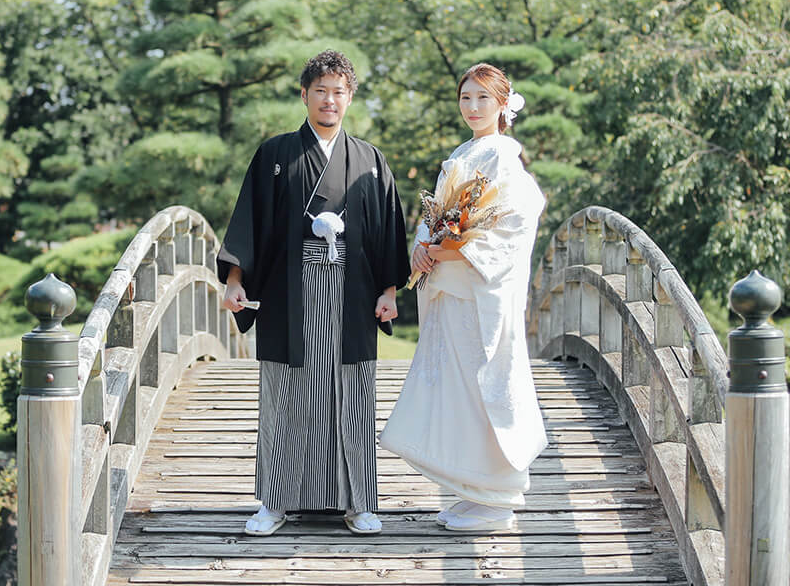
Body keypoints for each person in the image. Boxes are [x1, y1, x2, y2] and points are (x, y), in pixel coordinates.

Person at [217, 50, 411, 537]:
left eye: (339, 91)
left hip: (353, 296)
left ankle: (359, 502)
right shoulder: (275, 154)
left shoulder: (369, 160)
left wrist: (389, 290)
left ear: (350, 98)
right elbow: (251, 221)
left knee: (352, 396)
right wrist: (236, 279)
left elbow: (389, 230)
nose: (329, 100)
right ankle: (276, 501)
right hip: (290, 294)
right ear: (304, 95)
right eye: (320, 90)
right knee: (285, 395)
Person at [379, 63, 548, 533]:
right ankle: (474, 491)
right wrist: (422, 245)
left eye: (482, 99)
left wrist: (458, 248)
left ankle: (497, 498)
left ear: (501, 106)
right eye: (466, 98)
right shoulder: (465, 152)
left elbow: (517, 219)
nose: (472, 107)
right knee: (459, 389)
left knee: (483, 387)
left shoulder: (503, 157)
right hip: (454, 289)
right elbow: (437, 215)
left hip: (478, 292)